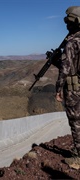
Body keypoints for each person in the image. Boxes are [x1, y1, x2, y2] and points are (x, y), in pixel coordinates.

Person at [55, 6, 80, 165]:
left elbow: (66, 69)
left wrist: (58, 90)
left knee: (76, 121)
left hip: (74, 88)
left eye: (68, 22)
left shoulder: (71, 43)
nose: (66, 25)